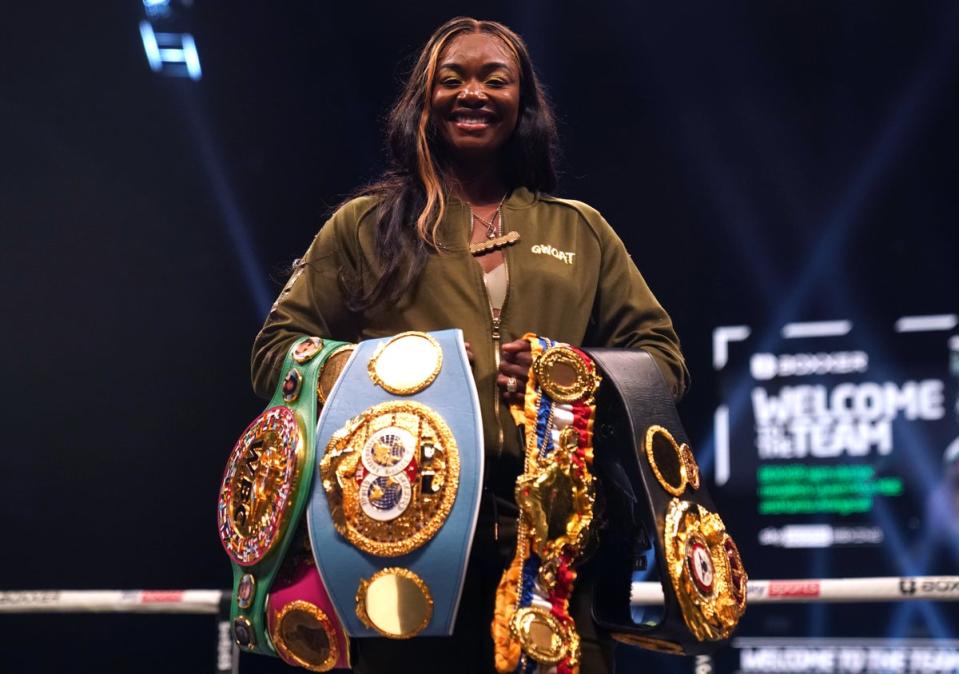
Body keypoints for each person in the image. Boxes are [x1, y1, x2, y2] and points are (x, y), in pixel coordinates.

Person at [251, 16, 688, 674]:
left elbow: (661, 360)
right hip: (398, 534)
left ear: (524, 102)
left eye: (495, 79)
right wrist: (383, 375)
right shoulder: (362, 226)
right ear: (421, 103)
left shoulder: (580, 232)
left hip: (554, 538)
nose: (472, 93)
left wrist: (569, 373)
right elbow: (276, 351)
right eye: (450, 79)